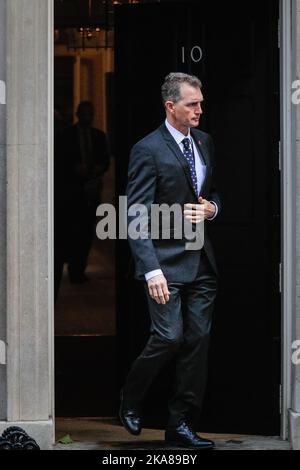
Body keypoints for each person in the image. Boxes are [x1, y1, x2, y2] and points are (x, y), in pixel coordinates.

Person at [119, 72, 221, 449]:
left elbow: (212, 194)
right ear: (171, 106)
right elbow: (135, 215)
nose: (199, 110)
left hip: (203, 263)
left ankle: (181, 425)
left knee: (198, 343)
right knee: (169, 336)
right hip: (164, 263)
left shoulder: (206, 142)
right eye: (192, 104)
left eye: (200, 103)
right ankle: (130, 396)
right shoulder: (147, 149)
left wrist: (212, 209)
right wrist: (151, 270)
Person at [62, 101, 110, 284]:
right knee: (74, 231)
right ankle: (74, 267)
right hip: (72, 190)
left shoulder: (99, 136)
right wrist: (75, 169)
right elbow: (62, 161)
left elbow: (106, 160)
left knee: (87, 232)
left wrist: (98, 169)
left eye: (90, 114)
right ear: (77, 114)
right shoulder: (67, 136)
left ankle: (79, 269)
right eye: (84, 113)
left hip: (92, 189)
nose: (87, 117)